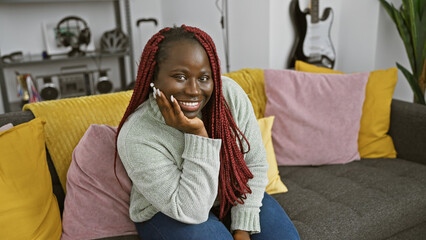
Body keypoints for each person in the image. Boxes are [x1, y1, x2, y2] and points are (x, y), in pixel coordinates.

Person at [116, 25, 300, 240]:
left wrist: (242, 229)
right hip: (171, 210)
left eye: (204, 78)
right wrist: (197, 135)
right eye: (180, 76)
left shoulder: (229, 95)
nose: (194, 90)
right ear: (153, 78)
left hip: (230, 194)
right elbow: (192, 211)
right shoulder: (137, 135)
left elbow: (255, 163)